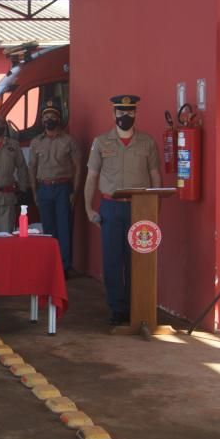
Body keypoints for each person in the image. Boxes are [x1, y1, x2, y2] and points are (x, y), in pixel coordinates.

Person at [84, 95, 161, 325]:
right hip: (111, 207)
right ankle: (118, 309)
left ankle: (137, 307)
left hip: (140, 207)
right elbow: (92, 177)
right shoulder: (101, 142)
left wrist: (156, 207)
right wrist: (89, 208)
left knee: (138, 259)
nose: (125, 116)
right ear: (113, 114)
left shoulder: (147, 142)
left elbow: (155, 174)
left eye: (130, 112)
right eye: (121, 112)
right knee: (112, 260)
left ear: (136, 114)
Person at [28, 100, 82, 276]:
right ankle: (50, 266)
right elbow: (32, 168)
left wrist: (75, 190)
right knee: (48, 228)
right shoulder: (36, 142)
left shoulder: (69, 141)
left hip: (63, 188)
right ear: (42, 120)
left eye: (52, 116)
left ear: (58, 119)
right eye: (46, 116)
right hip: (44, 188)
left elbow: (78, 166)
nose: (49, 119)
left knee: (64, 228)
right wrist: (34, 191)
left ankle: (64, 267)